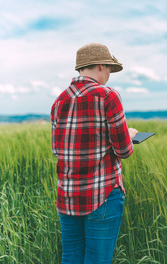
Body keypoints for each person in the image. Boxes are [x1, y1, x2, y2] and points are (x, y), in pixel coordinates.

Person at [51, 43, 138, 264]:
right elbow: (124, 150)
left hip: (67, 196)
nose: (108, 74)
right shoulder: (108, 96)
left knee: (71, 257)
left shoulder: (59, 101)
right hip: (103, 194)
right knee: (97, 260)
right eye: (109, 68)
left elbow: (57, 150)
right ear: (101, 66)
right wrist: (129, 134)